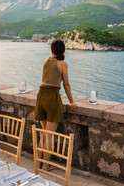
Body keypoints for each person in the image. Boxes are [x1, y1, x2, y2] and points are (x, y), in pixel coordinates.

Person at [35, 39, 77, 170]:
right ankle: (46, 165)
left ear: (51, 51)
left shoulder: (45, 62)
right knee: (49, 135)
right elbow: (66, 84)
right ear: (63, 51)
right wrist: (72, 102)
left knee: (44, 133)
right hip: (52, 98)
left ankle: (38, 164)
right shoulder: (63, 64)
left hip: (41, 96)